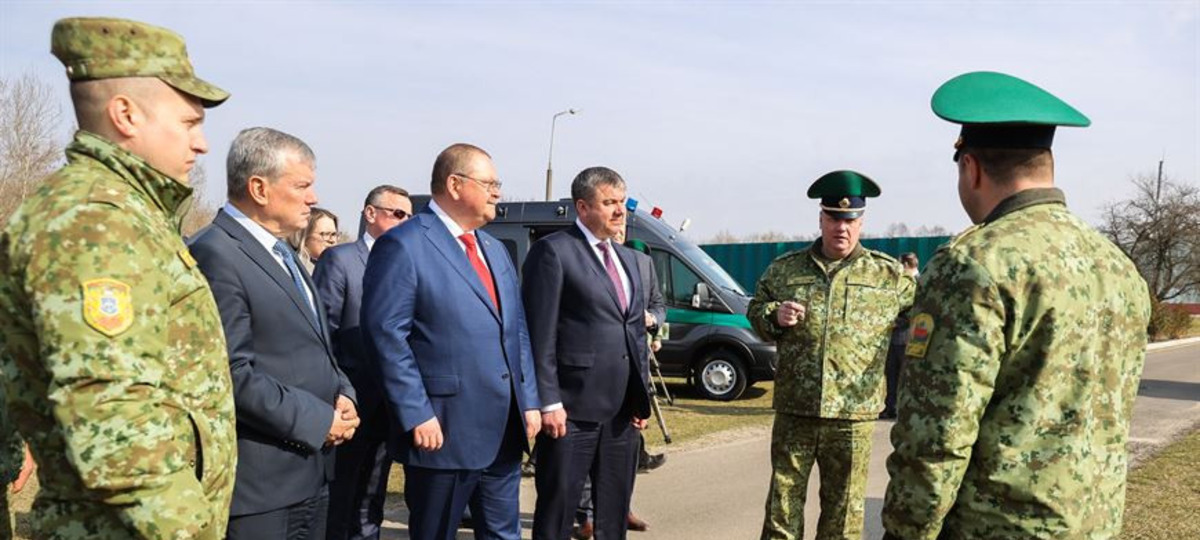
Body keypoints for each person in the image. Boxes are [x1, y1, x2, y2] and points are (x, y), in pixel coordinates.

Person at [881, 71, 1152, 540]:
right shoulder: (1117, 266)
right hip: (1094, 525)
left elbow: (936, 437)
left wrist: (905, 532)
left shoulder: (973, 265)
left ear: (971, 168)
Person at [0, 17, 237, 538]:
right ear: (126, 114)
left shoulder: (127, 211)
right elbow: (114, 421)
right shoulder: (95, 220)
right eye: (189, 122)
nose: (201, 143)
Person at [360, 143, 541, 540]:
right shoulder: (404, 244)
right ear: (455, 185)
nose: (497, 193)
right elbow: (385, 336)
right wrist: (415, 412)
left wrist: (528, 399)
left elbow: (516, 330)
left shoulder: (495, 250)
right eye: (489, 184)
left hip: (503, 431)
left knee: (503, 534)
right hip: (442, 430)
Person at [190, 127, 359, 539]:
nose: (313, 198)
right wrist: (319, 419)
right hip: (261, 489)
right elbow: (229, 374)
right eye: (301, 186)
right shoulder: (216, 253)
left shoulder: (282, 251)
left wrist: (343, 391)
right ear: (259, 188)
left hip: (310, 472)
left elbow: (313, 343)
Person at [748, 170, 915, 540]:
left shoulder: (888, 274)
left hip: (852, 415)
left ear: (861, 222)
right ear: (821, 219)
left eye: (850, 220)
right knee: (782, 509)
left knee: (843, 514)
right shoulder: (785, 269)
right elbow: (756, 311)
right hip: (796, 409)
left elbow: (926, 316)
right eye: (834, 218)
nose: (842, 228)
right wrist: (773, 315)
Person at [525, 166, 653, 540]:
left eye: (622, 202)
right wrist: (548, 402)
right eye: (609, 202)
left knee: (613, 513)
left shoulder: (629, 260)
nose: (620, 210)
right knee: (558, 512)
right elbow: (539, 335)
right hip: (571, 411)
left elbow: (635, 334)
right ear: (582, 207)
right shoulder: (554, 252)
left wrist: (640, 397)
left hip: (621, 414)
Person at [317, 185, 412, 540]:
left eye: (409, 216)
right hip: (350, 402)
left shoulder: (407, 264)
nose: (405, 222)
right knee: (342, 495)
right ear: (370, 213)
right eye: (398, 214)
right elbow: (323, 336)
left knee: (373, 496)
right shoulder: (340, 260)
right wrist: (338, 392)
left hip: (390, 403)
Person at [573, 234, 666, 538]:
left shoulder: (641, 262)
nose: (619, 225)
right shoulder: (582, 259)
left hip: (632, 370)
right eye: (613, 214)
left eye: (624, 220)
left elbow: (658, 304)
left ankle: (620, 507)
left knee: (626, 448)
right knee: (589, 449)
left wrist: (653, 320)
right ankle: (587, 515)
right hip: (593, 375)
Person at [881, 252, 920, 419]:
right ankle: (891, 407)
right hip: (894, 338)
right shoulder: (899, 283)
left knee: (907, 377)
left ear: (905, 264)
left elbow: (919, 309)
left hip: (910, 338)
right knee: (892, 375)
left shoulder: (920, 282)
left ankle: (906, 409)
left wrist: (897, 322)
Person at [291, 207, 340, 272]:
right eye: (325, 234)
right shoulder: (295, 269)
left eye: (334, 234)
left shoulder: (337, 269)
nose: (332, 240)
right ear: (305, 236)